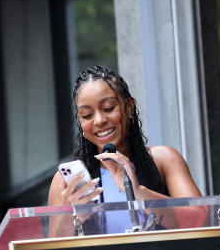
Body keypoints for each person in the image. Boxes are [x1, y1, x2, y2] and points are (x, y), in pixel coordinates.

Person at [48, 65, 202, 233]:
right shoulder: (65, 182)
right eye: (87, 115)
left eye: (108, 108)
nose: (99, 120)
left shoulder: (164, 159)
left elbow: (203, 221)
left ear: (129, 108)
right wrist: (68, 217)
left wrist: (138, 192)